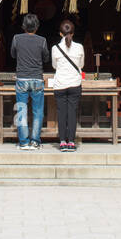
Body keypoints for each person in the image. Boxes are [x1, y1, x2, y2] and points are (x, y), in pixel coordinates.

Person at [10, 13, 48, 149]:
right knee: (38, 111)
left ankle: (24, 142)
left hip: (22, 78)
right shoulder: (42, 40)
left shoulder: (16, 38)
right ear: (36, 27)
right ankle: (35, 141)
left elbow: (13, 54)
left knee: (22, 110)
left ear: (23, 26)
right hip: (37, 78)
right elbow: (46, 58)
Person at [50, 19, 85, 151]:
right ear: (73, 33)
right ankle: (71, 141)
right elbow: (81, 65)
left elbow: (54, 66)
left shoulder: (55, 48)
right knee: (72, 113)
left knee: (61, 113)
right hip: (75, 84)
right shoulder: (79, 47)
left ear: (60, 33)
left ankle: (62, 142)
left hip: (60, 84)